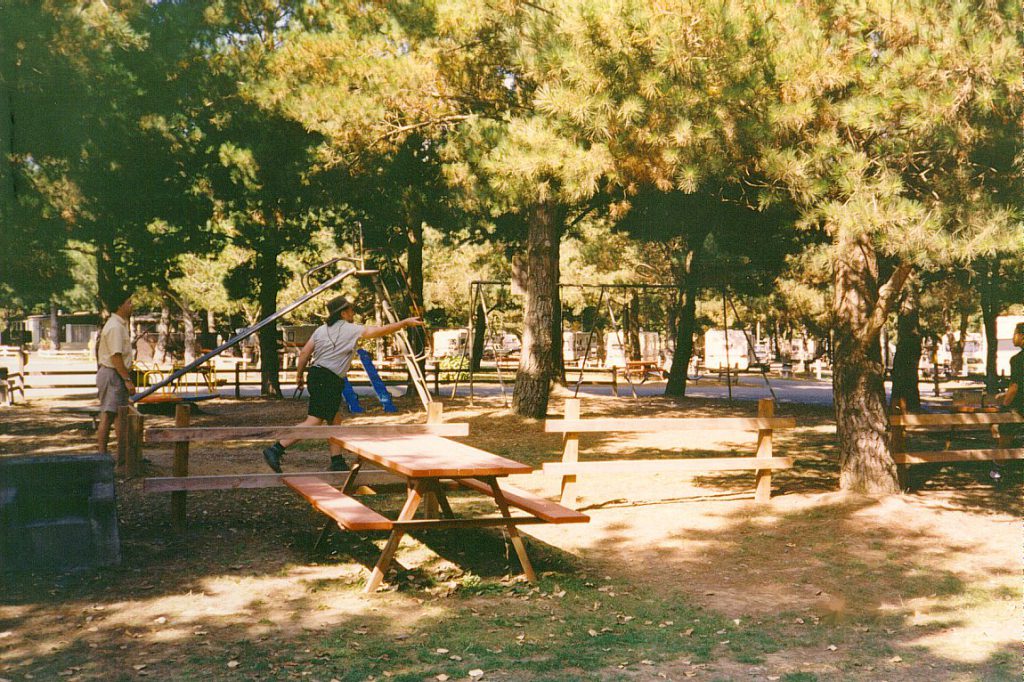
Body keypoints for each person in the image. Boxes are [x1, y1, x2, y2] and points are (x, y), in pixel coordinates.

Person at [261, 295, 425, 473]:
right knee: (314, 421)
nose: (353, 313)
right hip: (328, 379)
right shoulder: (351, 329)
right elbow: (379, 331)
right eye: (351, 310)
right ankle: (276, 449)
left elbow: (304, 354)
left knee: (335, 418)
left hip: (317, 375)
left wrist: (299, 376)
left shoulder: (320, 330)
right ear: (343, 313)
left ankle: (337, 460)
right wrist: (404, 323)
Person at [96, 290, 135, 454]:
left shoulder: (120, 325)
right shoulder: (114, 327)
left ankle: (123, 457)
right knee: (108, 414)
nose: (132, 306)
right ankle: (102, 455)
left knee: (120, 416)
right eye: (129, 302)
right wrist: (127, 379)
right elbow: (116, 356)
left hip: (115, 374)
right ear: (120, 305)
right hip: (113, 374)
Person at [997, 322, 1024, 416]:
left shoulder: (1018, 359)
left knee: (996, 426)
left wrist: (1004, 406)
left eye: (1014, 334)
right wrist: (1006, 394)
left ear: (1021, 335)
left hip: (1021, 409)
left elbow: (1015, 387)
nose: (1013, 338)